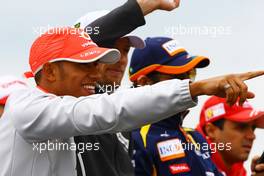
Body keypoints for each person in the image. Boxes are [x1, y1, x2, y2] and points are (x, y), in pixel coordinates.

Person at [0, 27, 262, 176]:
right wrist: (197, 88)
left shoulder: (62, 116)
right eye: (85, 64)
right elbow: (109, 110)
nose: (96, 72)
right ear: (50, 71)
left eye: (97, 63)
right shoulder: (25, 106)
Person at [129, 37, 225, 176]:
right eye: (178, 77)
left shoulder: (195, 137)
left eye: (190, 75)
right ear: (145, 83)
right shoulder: (135, 138)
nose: (188, 84)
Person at [74, 10, 145, 176]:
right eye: (110, 50)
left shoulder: (122, 111)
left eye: (126, 50)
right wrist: (141, 7)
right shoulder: (67, 102)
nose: (121, 59)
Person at [196, 96, 264, 176]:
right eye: (241, 127)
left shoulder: (236, 169)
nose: (252, 136)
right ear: (211, 131)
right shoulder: (187, 163)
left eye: (253, 128)